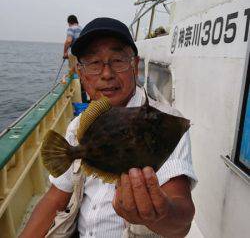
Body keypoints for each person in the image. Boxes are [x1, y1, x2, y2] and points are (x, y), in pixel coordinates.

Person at [20, 17, 197, 238]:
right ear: (81, 74)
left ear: (134, 65)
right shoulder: (79, 125)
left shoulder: (163, 120)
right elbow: (56, 195)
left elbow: (181, 217)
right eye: (94, 63)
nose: (106, 74)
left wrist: (159, 213)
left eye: (118, 60)